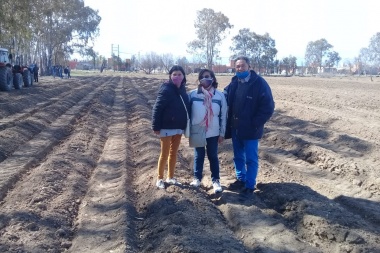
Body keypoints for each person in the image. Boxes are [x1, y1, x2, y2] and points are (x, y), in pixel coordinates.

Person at [224, 56, 275, 196]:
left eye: (242, 66)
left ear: (249, 67)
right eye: (237, 67)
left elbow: (268, 107)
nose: (240, 69)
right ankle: (241, 179)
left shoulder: (259, 83)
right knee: (238, 156)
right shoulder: (234, 82)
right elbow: (224, 95)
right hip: (235, 127)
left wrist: (255, 123)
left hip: (251, 129)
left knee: (251, 158)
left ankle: (250, 185)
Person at [188, 69, 227, 193]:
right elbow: (188, 113)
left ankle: (216, 180)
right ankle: (197, 179)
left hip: (213, 132)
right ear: (199, 79)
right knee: (198, 156)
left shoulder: (219, 96)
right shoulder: (193, 94)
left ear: (213, 79)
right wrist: (187, 130)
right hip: (198, 131)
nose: (206, 78)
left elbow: (223, 115)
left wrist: (222, 133)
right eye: (203, 77)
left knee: (213, 156)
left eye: (208, 76)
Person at [152, 65, 190, 189]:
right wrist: (156, 126)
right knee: (164, 154)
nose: (177, 77)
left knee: (174, 153)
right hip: (166, 127)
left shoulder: (183, 90)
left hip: (178, 127)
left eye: (179, 74)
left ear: (183, 76)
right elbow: (157, 108)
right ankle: (159, 178)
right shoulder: (166, 89)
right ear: (170, 76)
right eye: (174, 74)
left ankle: (171, 177)